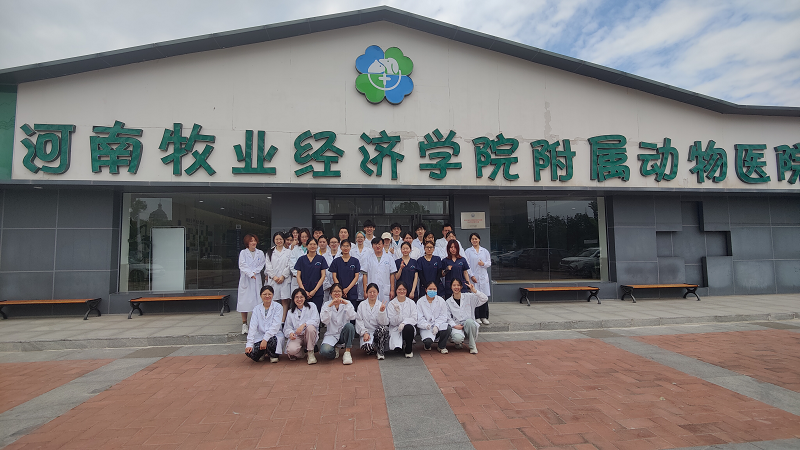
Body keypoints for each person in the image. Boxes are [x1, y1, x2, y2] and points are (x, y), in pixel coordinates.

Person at [446, 279, 488, 354]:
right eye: (454, 285)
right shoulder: (448, 302)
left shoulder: (469, 297)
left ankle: (472, 346)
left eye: (458, 285)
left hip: (469, 324)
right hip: (457, 325)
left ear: (461, 287)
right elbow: (448, 317)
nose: (456, 287)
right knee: (457, 339)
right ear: (451, 287)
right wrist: (454, 325)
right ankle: (458, 342)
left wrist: (475, 291)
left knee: (469, 322)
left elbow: (485, 299)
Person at [245, 286, 284, 363]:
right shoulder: (256, 309)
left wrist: (265, 339)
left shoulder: (278, 307)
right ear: (260, 295)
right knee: (250, 352)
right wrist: (249, 344)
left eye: (269, 294)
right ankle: (263, 352)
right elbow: (253, 326)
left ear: (273, 295)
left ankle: (273, 355)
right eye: (264, 294)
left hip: (274, 335)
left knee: (271, 340)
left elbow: (275, 326)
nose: (267, 296)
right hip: (260, 335)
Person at [320, 284, 357, 364]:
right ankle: (334, 350)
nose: (336, 293)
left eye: (339, 291)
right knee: (324, 351)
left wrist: (346, 304)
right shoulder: (326, 304)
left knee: (350, 326)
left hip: (343, 334)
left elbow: (353, 316)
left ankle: (347, 352)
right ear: (330, 293)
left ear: (342, 293)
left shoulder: (347, 303)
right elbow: (324, 320)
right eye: (334, 291)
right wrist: (330, 306)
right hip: (331, 334)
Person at [238, 234, 266, 335]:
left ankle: (256, 323)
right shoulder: (243, 253)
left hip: (256, 277)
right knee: (244, 302)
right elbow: (242, 265)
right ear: (247, 243)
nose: (253, 243)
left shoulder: (260, 253)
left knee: (257, 302)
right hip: (246, 279)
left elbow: (262, 264)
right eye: (251, 241)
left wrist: (255, 272)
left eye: (254, 240)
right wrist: (250, 273)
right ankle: (244, 324)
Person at [283, 288, 320, 364]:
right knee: (291, 351)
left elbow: (316, 321)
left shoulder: (311, 306)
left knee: (310, 328)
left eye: (301, 297)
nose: (299, 299)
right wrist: (290, 333)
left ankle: (310, 353)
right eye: (296, 297)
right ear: (293, 299)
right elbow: (287, 327)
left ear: (305, 298)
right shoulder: (290, 312)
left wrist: (304, 325)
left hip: (308, 335)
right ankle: (301, 352)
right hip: (297, 336)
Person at [416, 281, 452, 353]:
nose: (432, 291)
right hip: (426, 327)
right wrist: (426, 325)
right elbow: (419, 317)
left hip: (438, 325)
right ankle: (427, 345)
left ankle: (441, 346)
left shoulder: (441, 301)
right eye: (430, 289)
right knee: (428, 341)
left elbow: (443, 316)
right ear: (426, 290)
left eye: (434, 289)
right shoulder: (420, 301)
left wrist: (437, 325)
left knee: (447, 328)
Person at [355, 283, 389, 359]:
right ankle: (372, 347)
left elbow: (384, 323)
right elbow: (359, 321)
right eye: (370, 292)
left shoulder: (381, 305)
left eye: (374, 292)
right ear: (366, 293)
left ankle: (380, 350)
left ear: (378, 293)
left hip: (378, 332)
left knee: (383, 329)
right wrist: (364, 333)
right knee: (367, 347)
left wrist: (382, 312)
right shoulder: (362, 305)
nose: (372, 294)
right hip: (367, 332)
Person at [294, 237, 328, 312]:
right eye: (310, 244)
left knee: (317, 311)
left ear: (317, 246)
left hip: (317, 291)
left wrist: (314, 290)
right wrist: (303, 290)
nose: (312, 246)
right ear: (307, 246)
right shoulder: (301, 259)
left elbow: (323, 276)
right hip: (304, 290)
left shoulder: (321, 259)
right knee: (304, 312)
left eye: (314, 244)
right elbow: (298, 276)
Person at [464, 232, 492, 325]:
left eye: (476, 239)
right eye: (472, 239)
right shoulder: (468, 251)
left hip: (483, 278)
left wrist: (483, 264)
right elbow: (467, 265)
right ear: (470, 241)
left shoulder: (484, 251)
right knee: (475, 297)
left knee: (484, 297)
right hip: (474, 277)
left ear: (479, 239)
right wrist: (471, 275)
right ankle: (477, 316)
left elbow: (489, 262)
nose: (474, 240)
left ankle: (484, 317)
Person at [265, 231, 292, 323]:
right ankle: (274, 321)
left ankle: (283, 321)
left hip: (284, 280)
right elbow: (268, 266)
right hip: (274, 280)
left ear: (283, 240)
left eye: (280, 239)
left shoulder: (288, 252)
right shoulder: (270, 252)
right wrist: (274, 277)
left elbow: (289, 265)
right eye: (276, 239)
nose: (279, 241)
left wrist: (283, 276)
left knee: (285, 300)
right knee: (274, 300)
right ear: (274, 240)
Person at [386, 282, 418, 358]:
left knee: (408, 328)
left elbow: (414, 318)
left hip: (407, 328)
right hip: (395, 328)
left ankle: (408, 349)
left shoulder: (411, 303)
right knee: (397, 349)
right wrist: (397, 314)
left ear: (406, 291)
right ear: (396, 290)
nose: (402, 291)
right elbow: (391, 321)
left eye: (404, 289)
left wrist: (404, 323)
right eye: (399, 289)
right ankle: (400, 346)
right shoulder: (391, 304)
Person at [363, 237, 397, 302]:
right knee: (372, 305)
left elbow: (392, 274)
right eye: (375, 244)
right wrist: (365, 291)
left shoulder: (389, 258)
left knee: (384, 306)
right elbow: (365, 275)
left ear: (383, 245)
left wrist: (392, 290)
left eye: (379, 244)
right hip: (371, 288)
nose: (377, 246)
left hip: (385, 289)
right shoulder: (368, 258)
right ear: (372, 246)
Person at [330, 239, 361, 308]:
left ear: (350, 247)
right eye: (343, 246)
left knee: (351, 310)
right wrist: (340, 290)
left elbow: (356, 277)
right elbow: (334, 276)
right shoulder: (336, 261)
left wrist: (347, 289)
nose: (345, 248)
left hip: (351, 290)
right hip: (339, 292)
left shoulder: (355, 261)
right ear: (340, 248)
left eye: (347, 246)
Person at [351, 231, 373, 303]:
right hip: (354, 275)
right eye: (358, 237)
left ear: (364, 239)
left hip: (366, 275)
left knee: (365, 296)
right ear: (356, 239)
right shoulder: (352, 251)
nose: (360, 239)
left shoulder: (369, 251)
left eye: (361, 237)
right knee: (355, 297)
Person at [318, 235, 335, 307]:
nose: (333, 244)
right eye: (332, 242)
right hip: (326, 285)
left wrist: (336, 285)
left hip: (337, 284)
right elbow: (321, 272)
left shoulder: (341, 255)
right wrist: (327, 285)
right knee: (325, 304)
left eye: (335, 242)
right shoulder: (323, 257)